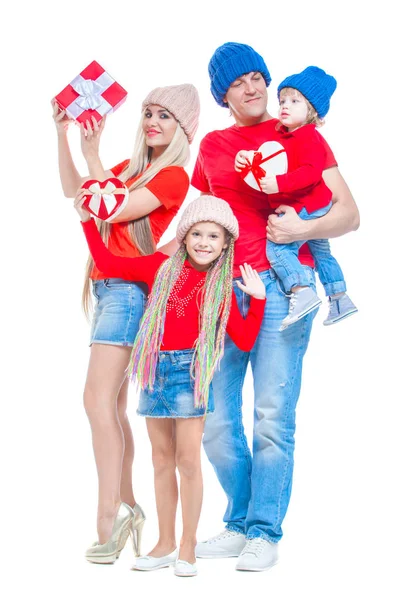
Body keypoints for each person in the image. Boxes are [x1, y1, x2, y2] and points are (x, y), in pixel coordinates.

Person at [191, 42, 360, 571]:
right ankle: (240, 521)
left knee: (270, 417)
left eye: (259, 76)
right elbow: (201, 215)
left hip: (283, 290)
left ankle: (263, 530)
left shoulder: (301, 134)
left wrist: (304, 228)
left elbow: (350, 213)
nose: (254, 87)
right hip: (224, 291)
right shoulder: (214, 146)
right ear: (224, 94)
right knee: (215, 419)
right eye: (239, 82)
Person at [74, 193, 266, 576]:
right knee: (161, 458)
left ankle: (188, 546)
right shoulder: (159, 267)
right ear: (184, 236)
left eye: (213, 236)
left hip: (191, 374)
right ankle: (164, 542)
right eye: (197, 233)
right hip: (153, 369)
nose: (204, 243)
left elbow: (243, 340)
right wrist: (85, 222)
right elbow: (110, 262)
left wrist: (257, 301)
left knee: (187, 460)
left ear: (226, 243)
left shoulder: (221, 286)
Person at [52, 83, 200, 562]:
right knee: (110, 407)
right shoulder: (133, 171)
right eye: (148, 113)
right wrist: (65, 137)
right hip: (107, 290)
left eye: (165, 116)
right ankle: (128, 506)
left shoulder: (174, 176)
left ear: (183, 128)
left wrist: (94, 155)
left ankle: (108, 515)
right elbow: (78, 193)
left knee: (96, 400)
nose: (152, 122)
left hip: (129, 293)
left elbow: (114, 210)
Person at [234, 66, 358, 330]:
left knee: (278, 250)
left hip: (310, 205)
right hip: (317, 205)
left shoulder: (307, 136)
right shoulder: (291, 135)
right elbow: (273, 158)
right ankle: (339, 298)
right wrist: (248, 158)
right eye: (282, 101)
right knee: (321, 253)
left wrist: (277, 184)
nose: (284, 106)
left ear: (311, 110)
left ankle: (301, 291)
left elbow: (311, 174)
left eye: (294, 101)